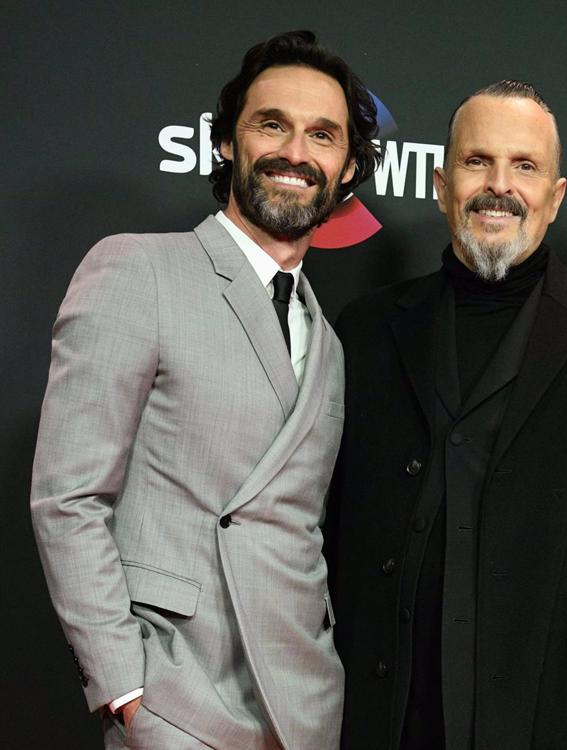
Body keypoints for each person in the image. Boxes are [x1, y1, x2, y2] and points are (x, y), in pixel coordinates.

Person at [30, 29, 380, 749]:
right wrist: (126, 691)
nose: (296, 152)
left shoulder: (332, 344)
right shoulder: (139, 271)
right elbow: (68, 496)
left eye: (323, 135)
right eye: (271, 124)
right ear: (225, 143)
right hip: (176, 703)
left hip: (302, 708)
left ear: (347, 170)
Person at [327, 80, 567, 750]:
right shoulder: (366, 329)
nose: (499, 185)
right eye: (477, 162)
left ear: (554, 198)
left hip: (554, 726)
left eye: (524, 166)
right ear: (441, 185)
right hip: (381, 721)